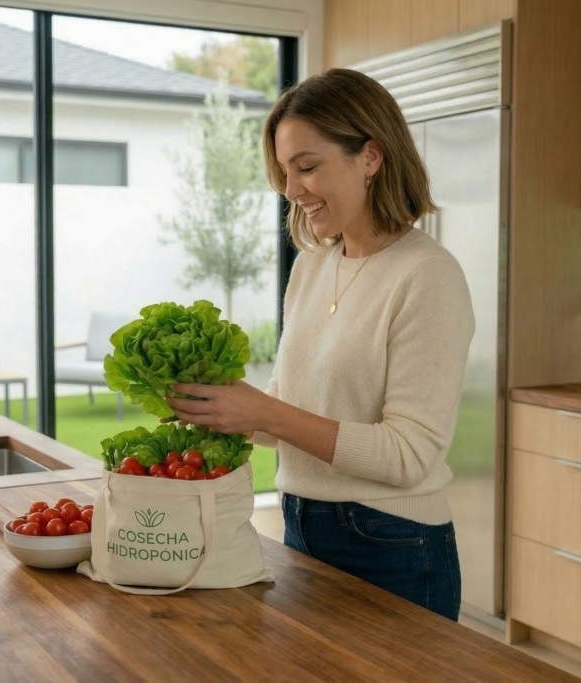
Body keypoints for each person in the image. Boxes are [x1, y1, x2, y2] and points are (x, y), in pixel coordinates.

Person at [165, 68, 475, 622]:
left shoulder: (428, 276)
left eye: (307, 167)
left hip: (394, 546)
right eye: (286, 172)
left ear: (371, 158)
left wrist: (265, 411)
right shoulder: (312, 267)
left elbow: (410, 454)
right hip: (302, 527)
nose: (292, 189)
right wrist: (218, 409)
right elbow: (289, 409)